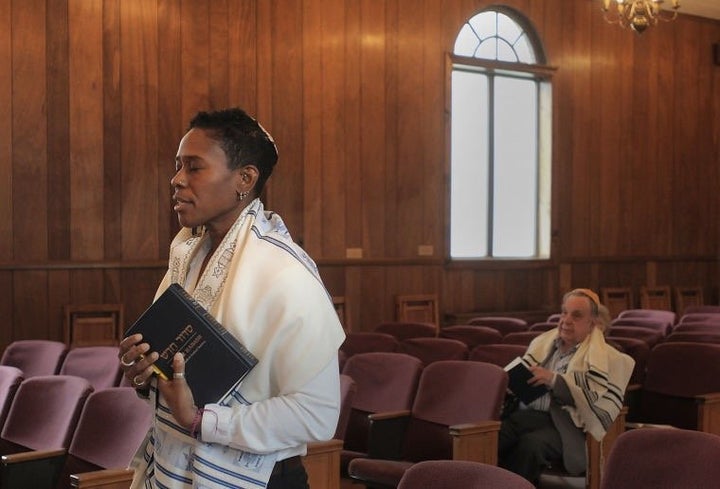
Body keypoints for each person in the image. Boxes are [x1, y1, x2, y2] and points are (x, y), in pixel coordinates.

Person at [118, 107, 346, 489]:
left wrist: (201, 420)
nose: (176, 180)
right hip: (179, 467)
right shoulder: (186, 253)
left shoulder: (285, 273)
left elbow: (316, 415)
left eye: (194, 167)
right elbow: (180, 375)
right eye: (178, 166)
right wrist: (147, 373)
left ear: (245, 178)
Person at [498, 288, 634, 486]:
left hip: (566, 425)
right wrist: (512, 384)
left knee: (530, 446)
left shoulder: (605, 357)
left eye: (576, 315)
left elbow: (595, 397)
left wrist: (554, 380)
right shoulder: (545, 344)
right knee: (496, 432)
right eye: (564, 312)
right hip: (529, 415)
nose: (566, 320)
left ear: (593, 324)